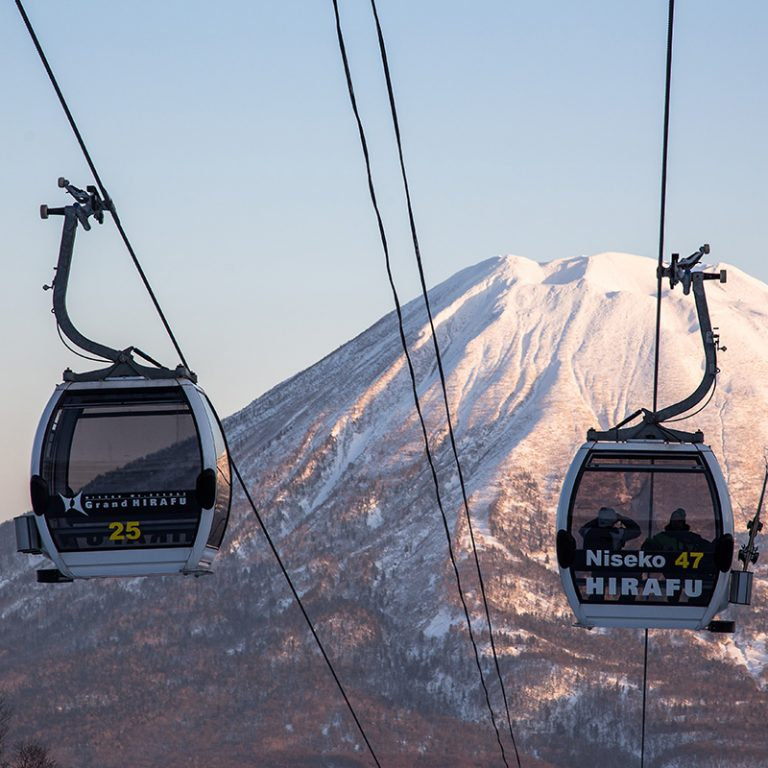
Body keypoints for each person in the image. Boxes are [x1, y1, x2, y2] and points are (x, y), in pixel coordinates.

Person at [642, 508, 711, 553]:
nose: (676, 523)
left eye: (679, 520)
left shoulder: (692, 537)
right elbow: (646, 547)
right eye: (674, 520)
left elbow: (708, 548)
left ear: (683, 522)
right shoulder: (661, 537)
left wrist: (695, 548)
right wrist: (661, 548)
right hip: (668, 571)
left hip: (690, 571)